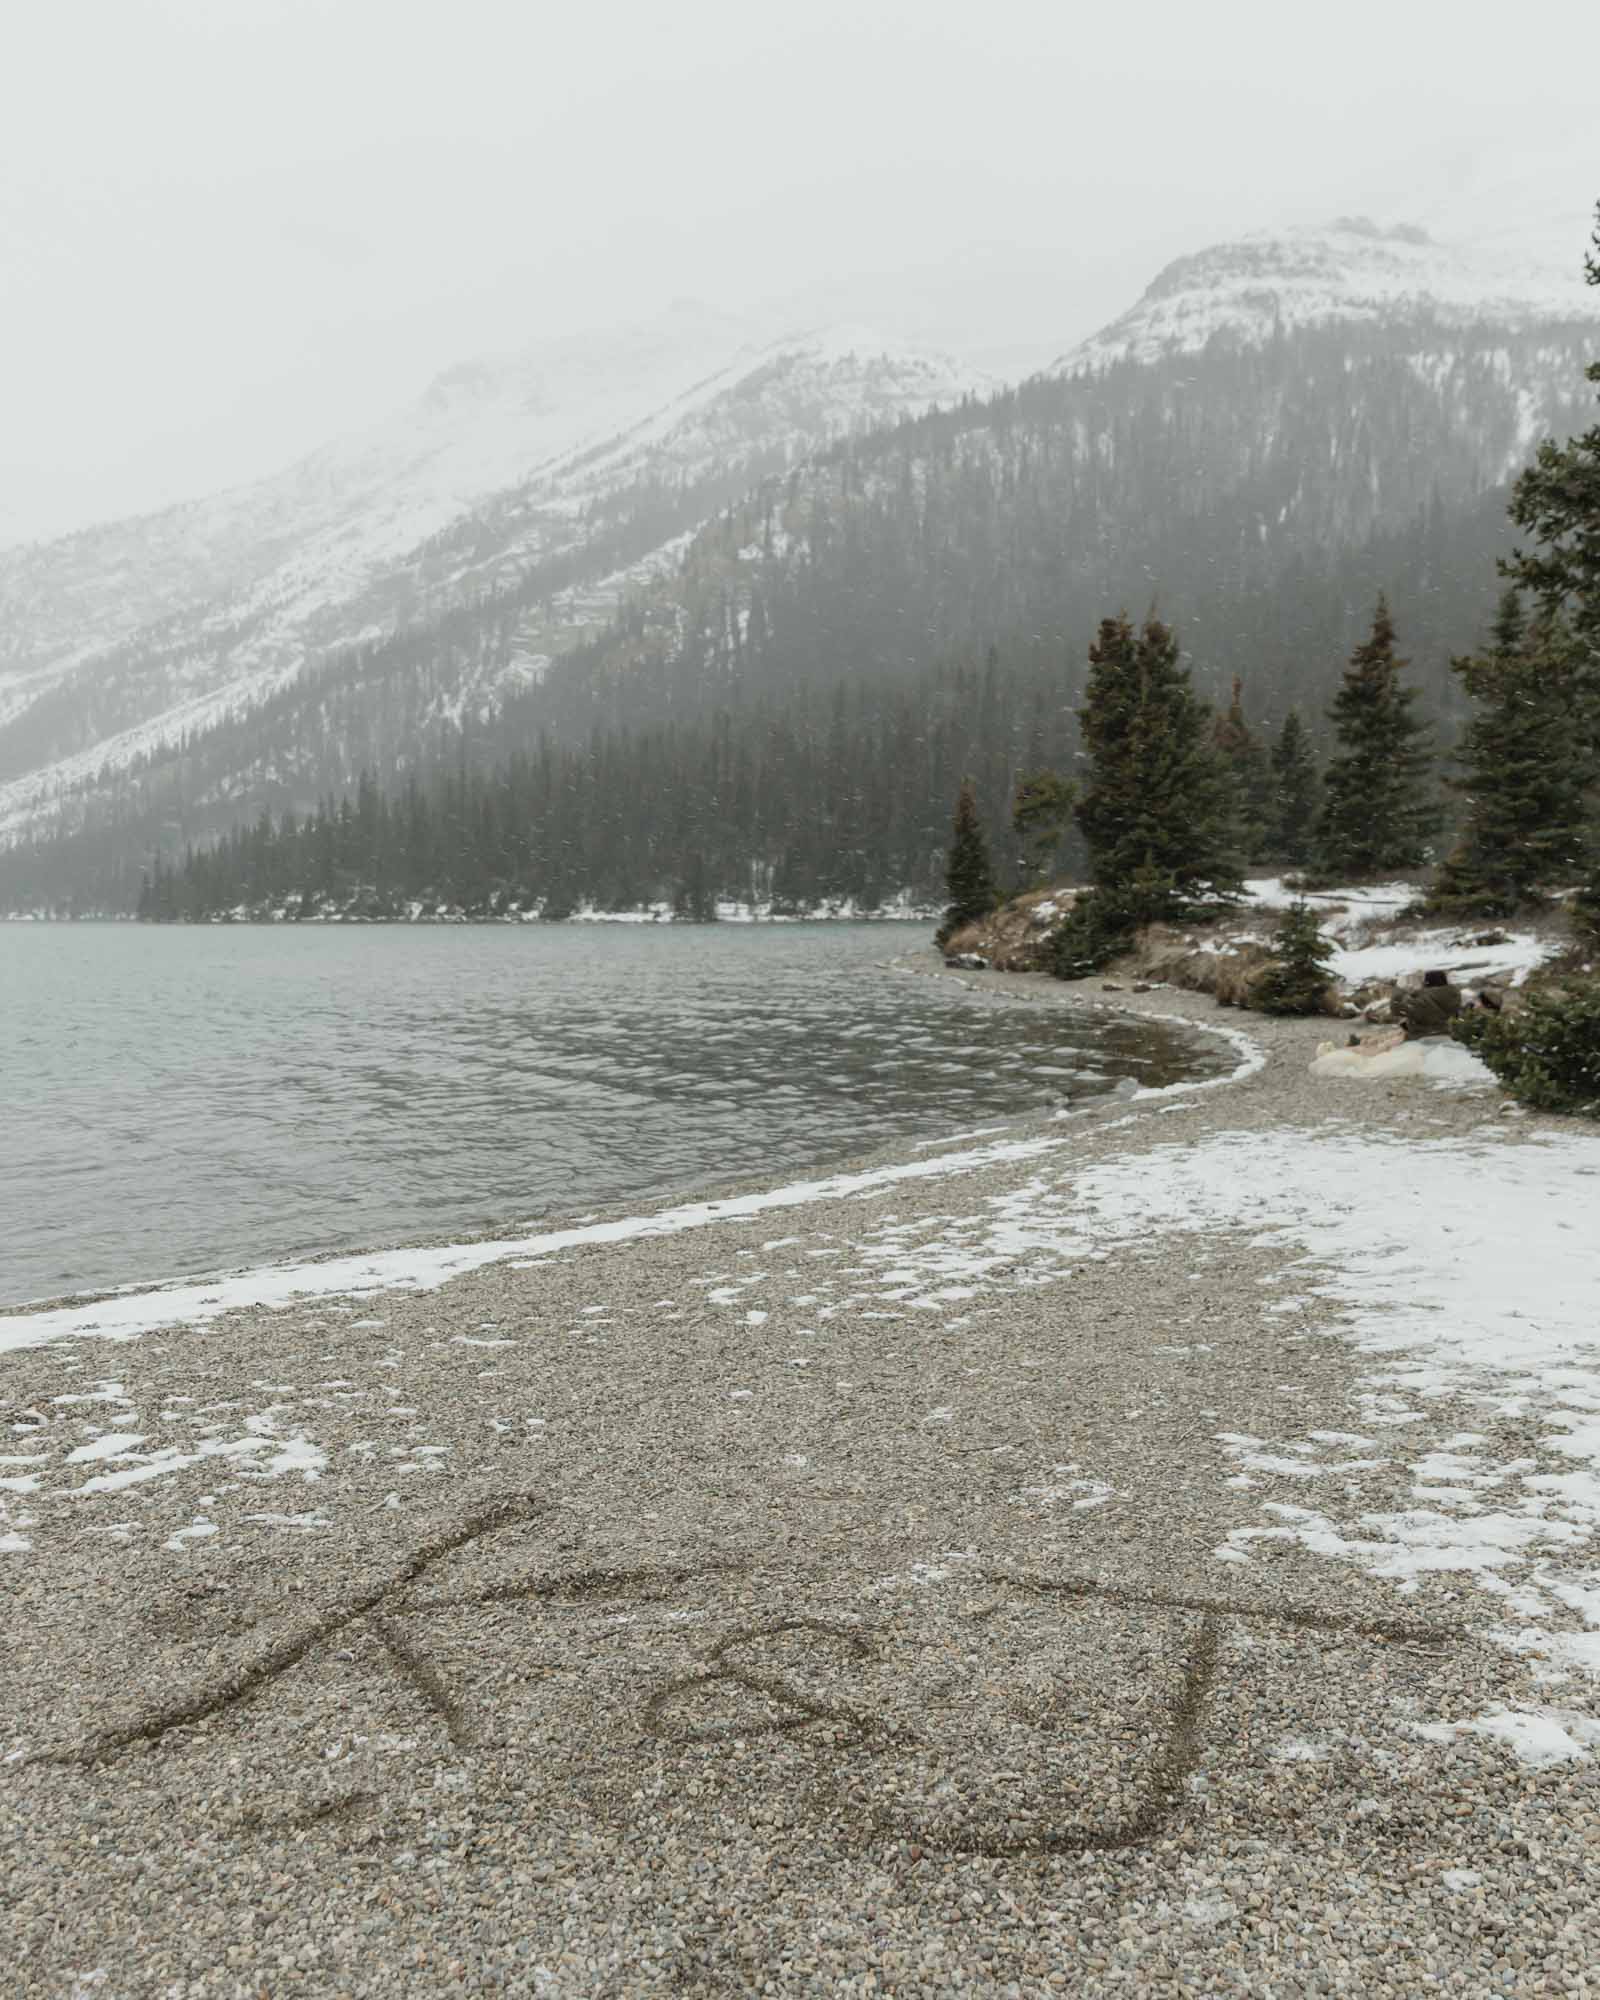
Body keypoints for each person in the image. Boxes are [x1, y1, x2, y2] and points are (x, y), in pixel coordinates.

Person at [1394, 968, 1462, 1039]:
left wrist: (1400, 986)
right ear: (1445, 980)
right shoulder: (1454, 996)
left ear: (1426, 981)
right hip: (1446, 1036)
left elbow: (1396, 1007)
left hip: (1421, 1040)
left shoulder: (1419, 1000)